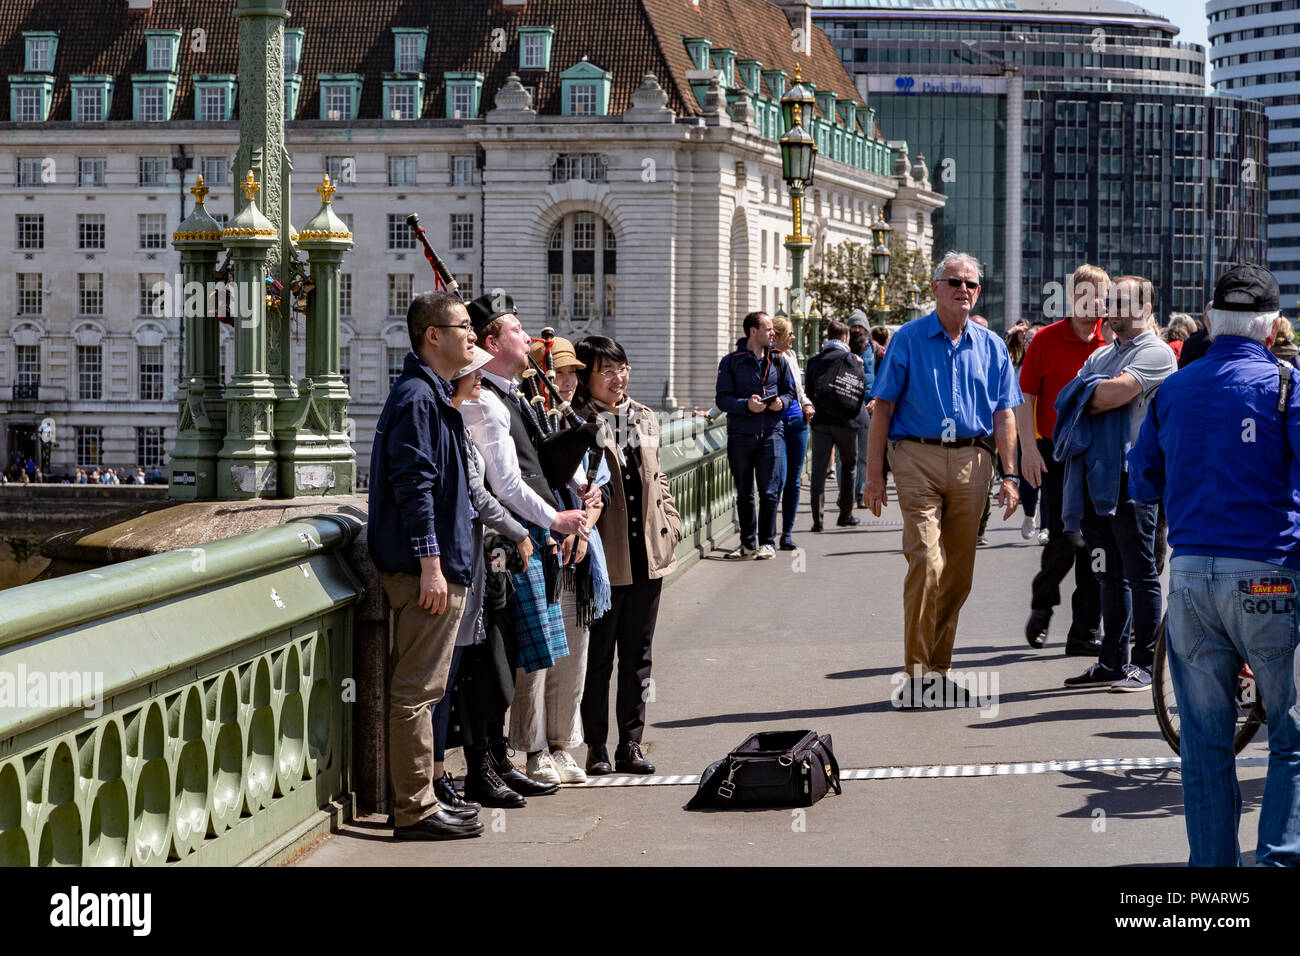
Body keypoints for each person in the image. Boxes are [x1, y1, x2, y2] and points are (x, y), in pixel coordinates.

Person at [1128, 263, 1300, 866]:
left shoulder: (1174, 387)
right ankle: (1278, 861)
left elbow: (1142, 479)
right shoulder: (1284, 384)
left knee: (1204, 747)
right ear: (1274, 325)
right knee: (1291, 736)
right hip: (1269, 570)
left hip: (1193, 575)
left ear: (1208, 318)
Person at [865, 251, 1022, 708]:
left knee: (958, 574)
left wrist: (1009, 476)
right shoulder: (908, 339)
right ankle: (917, 676)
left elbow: (1004, 415)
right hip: (916, 455)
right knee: (926, 562)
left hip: (975, 461)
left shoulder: (991, 345)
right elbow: (883, 409)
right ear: (935, 288)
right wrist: (874, 476)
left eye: (971, 284)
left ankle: (939, 670)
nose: (963, 290)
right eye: (954, 282)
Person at [459, 292, 591, 803]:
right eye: (517, 329)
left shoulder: (512, 394)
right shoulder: (485, 401)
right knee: (497, 656)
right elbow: (507, 484)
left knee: (515, 652)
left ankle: (497, 761)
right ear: (492, 341)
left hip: (524, 537)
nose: (529, 337)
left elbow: (538, 458)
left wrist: (577, 482)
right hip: (502, 543)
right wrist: (554, 517)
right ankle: (490, 766)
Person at [366, 290, 484, 841]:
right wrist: (431, 566)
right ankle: (413, 809)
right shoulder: (417, 398)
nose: (473, 337)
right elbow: (414, 488)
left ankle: (422, 800)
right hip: (425, 575)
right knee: (416, 692)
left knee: (425, 690)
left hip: (439, 567)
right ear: (432, 336)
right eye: (463, 327)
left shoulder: (433, 396)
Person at [430, 344, 535, 815]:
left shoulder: (459, 420)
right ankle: (441, 784)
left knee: (481, 669)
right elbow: (481, 495)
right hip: (455, 568)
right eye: (471, 374)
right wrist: (524, 530)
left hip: (472, 565)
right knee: (450, 682)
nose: (478, 380)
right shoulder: (449, 420)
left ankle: (480, 766)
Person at [1059, 274, 1176, 692]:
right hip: (1097, 476)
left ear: (1145, 308)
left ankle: (1144, 664)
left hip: (1135, 479)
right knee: (1108, 572)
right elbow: (1071, 393)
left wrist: (1086, 392)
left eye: (1124, 302)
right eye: (1110, 301)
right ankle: (1111, 661)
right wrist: (1088, 391)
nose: (1113, 309)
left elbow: (1106, 396)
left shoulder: (1156, 353)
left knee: (1140, 572)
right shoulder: (1104, 354)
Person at [575, 335, 683, 775]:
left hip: (648, 555)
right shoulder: (578, 422)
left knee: (639, 656)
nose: (618, 378)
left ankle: (631, 745)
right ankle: (597, 747)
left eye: (622, 368)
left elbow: (660, 481)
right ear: (587, 377)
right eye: (607, 371)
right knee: (599, 657)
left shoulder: (645, 417)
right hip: (605, 559)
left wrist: (672, 526)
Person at [507, 334, 610, 786]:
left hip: (580, 553)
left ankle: (562, 744)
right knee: (538, 656)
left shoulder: (579, 420)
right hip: (544, 549)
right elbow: (523, 487)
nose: (567, 381)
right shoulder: (530, 420)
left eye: (572, 373)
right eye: (558, 373)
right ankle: (531, 750)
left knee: (575, 655)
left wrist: (586, 522)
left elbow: (596, 492)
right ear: (539, 376)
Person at [1019, 265, 1108, 653]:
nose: (1093, 304)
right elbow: (1024, 398)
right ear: (1072, 298)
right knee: (1067, 542)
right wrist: (1028, 449)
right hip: (1056, 455)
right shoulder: (1046, 340)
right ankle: (1043, 604)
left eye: (1100, 296)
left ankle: (1084, 632)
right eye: (1085, 295)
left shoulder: (1113, 342)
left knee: (1098, 547)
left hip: (1101, 458)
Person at [715, 311, 796, 560]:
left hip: (771, 431)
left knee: (769, 491)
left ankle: (767, 542)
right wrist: (745, 405)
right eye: (768, 328)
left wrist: (780, 403)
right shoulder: (731, 362)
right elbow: (722, 398)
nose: (773, 333)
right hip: (741, 433)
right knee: (745, 493)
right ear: (753, 331)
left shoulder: (778, 361)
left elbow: (789, 392)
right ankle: (748, 544)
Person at [804, 319, 863, 532]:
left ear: (828, 337)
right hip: (846, 423)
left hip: (821, 422)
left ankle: (817, 520)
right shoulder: (852, 360)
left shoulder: (814, 361)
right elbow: (858, 390)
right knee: (849, 467)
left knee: (818, 471)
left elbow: (809, 391)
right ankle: (845, 515)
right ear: (845, 338)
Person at [771, 315, 815, 550]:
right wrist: (712, 412)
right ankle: (769, 533)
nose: (793, 337)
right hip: (775, 425)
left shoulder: (791, 356)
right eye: (789, 334)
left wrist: (807, 404)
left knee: (794, 481)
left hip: (797, 423)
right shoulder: (766, 359)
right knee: (778, 479)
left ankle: (786, 533)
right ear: (776, 337)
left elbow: (798, 390)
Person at [840, 311, 876, 509]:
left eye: (860, 327)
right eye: (853, 327)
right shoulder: (841, 352)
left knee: (864, 455)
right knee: (843, 456)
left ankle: (860, 493)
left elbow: (883, 377)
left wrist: (876, 400)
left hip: (867, 409)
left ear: (866, 329)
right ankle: (845, 494)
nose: (856, 331)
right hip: (845, 409)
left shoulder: (876, 351)